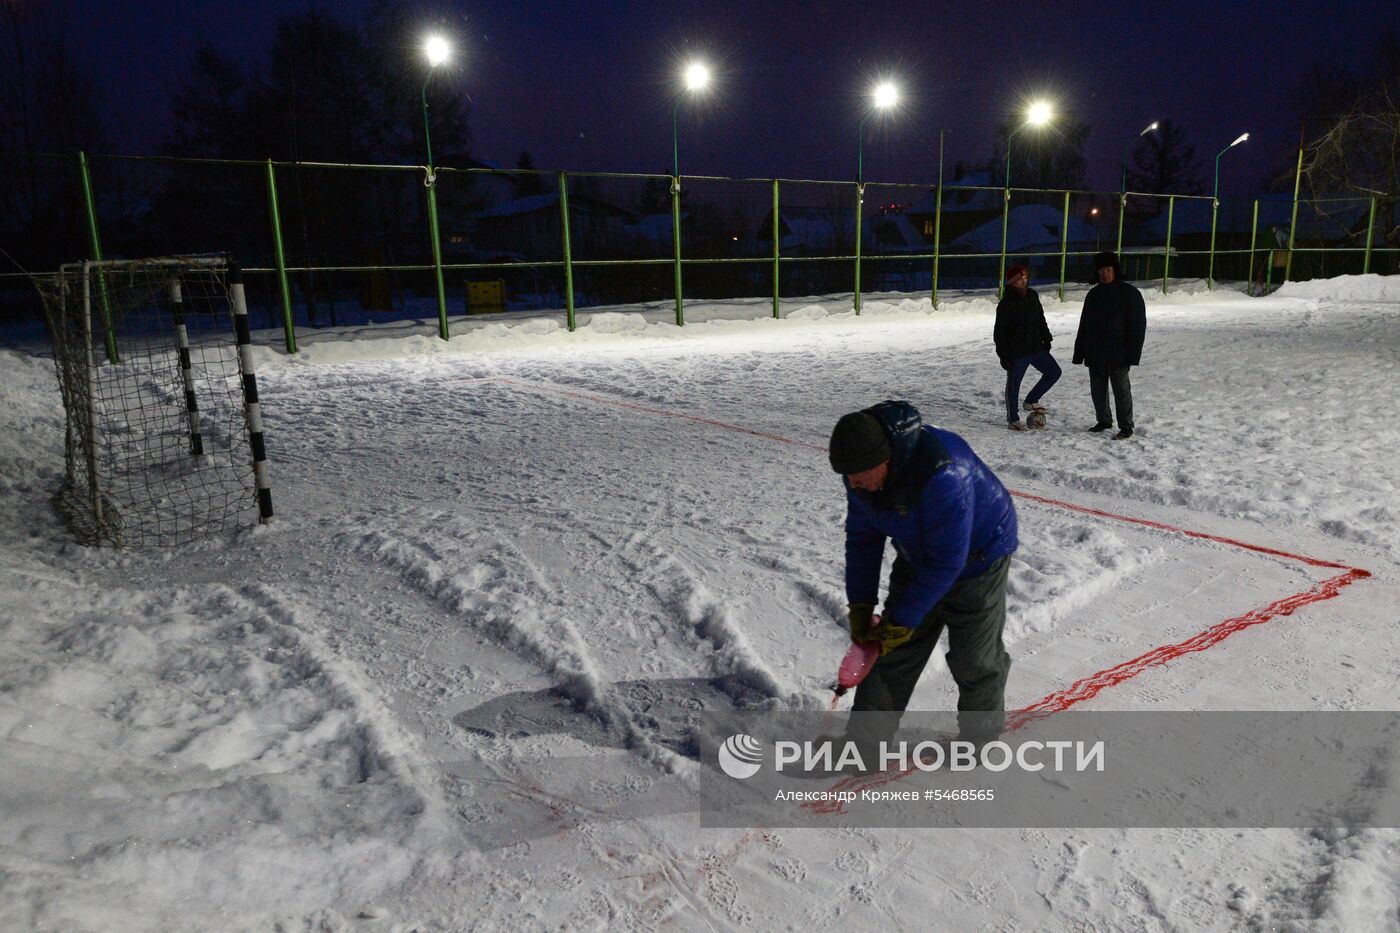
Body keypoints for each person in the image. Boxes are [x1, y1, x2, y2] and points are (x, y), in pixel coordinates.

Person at [828, 400, 1017, 742]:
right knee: (888, 652)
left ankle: (979, 741)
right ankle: (863, 745)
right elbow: (862, 540)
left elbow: (947, 562)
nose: (853, 485)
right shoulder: (859, 474)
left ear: (884, 460)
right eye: (848, 478)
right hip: (918, 554)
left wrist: (902, 620)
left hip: (980, 560)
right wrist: (860, 606)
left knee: (974, 659)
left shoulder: (942, 472)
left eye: (859, 476)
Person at [1072, 251, 1146, 440]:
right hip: (1095, 352)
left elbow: (1138, 326)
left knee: (1121, 390)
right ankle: (1103, 420)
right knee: (1098, 390)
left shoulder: (1130, 294)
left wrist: (1133, 354)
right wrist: (1079, 352)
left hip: (1118, 353)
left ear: (1115, 271)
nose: (1104, 274)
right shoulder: (1094, 294)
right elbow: (1084, 325)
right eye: (1101, 270)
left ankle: (1126, 426)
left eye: (1108, 270)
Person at [994, 264, 1060, 431]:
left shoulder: (1032, 296)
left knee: (1054, 372)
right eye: (1019, 280)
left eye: (1025, 278)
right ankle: (1013, 419)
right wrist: (1003, 355)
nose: (1024, 282)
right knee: (1013, 385)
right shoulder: (1006, 304)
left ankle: (1031, 401)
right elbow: (999, 333)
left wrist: (1046, 337)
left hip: (1037, 347)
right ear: (1011, 283)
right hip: (1018, 352)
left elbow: (1040, 318)